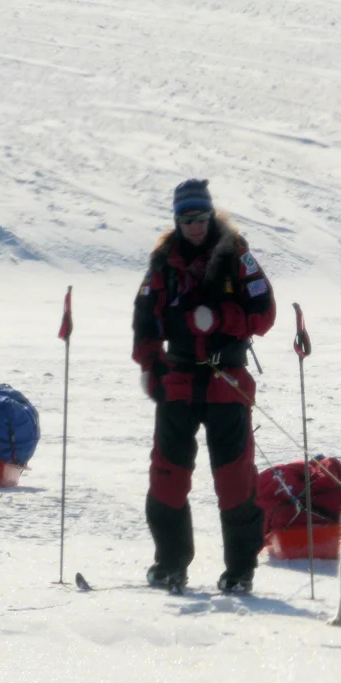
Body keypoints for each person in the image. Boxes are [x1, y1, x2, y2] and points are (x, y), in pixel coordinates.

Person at [132, 179, 277, 594]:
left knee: (234, 478)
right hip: (177, 380)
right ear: (177, 221)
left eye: (201, 218)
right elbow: (145, 319)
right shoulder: (163, 263)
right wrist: (151, 365)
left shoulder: (237, 256)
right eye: (186, 219)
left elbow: (264, 313)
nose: (195, 226)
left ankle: (240, 570)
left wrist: (220, 320)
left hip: (226, 381)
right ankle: (171, 563)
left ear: (211, 216)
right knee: (167, 476)